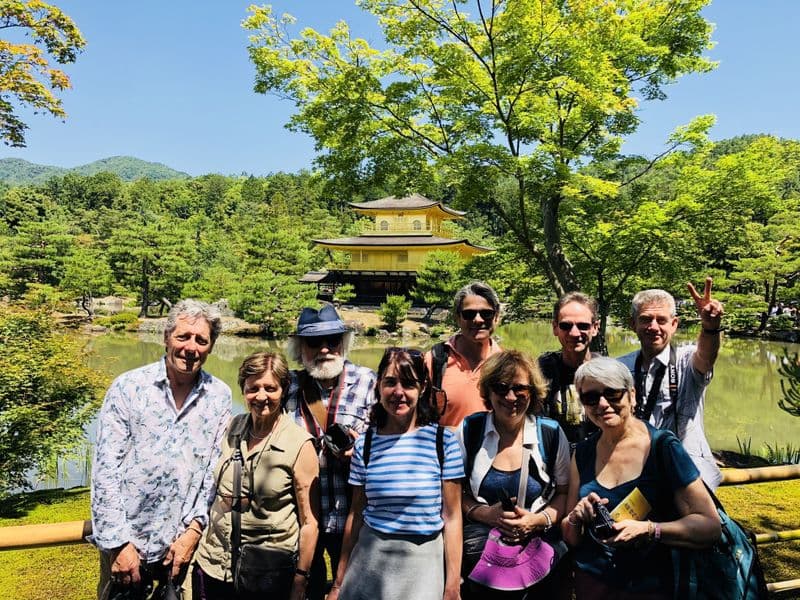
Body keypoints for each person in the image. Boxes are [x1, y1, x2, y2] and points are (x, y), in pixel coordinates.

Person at [91, 299, 232, 599]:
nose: (191, 348)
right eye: (183, 336)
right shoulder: (128, 388)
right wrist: (118, 544)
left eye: (201, 340)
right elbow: (106, 471)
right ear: (166, 337)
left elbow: (212, 472)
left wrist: (193, 532)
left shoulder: (219, 396)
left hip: (180, 547)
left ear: (211, 347)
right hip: (128, 543)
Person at [561, 357, 720, 599]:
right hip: (591, 583)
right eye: (591, 398)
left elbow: (709, 526)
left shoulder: (662, 447)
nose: (603, 404)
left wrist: (649, 529)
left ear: (632, 395)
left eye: (613, 394)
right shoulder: (581, 453)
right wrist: (575, 517)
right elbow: (570, 536)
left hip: (650, 585)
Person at [329, 347, 464, 600]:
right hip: (369, 563)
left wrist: (453, 585)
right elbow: (356, 514)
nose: (399, 392)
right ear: (379, 385)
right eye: (390, 382)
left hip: (423, 564)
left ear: (423, 388)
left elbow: (453, 517)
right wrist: (338, 582)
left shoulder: (443, 442)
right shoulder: (365, 444)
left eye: (409, 383)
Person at [192, 352, 319, 600]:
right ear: (243, 390)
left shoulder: (299, 444)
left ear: (283, 390)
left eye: (270, 388)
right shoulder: (230, 429)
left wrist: (300, 580)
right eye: (253, 388)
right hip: (214, 566)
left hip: (266, 574)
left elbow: (310, 523)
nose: (261, 396)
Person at [459, 350, 570, 599]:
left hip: (537, 557)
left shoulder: (550, 434)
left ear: (532, 391)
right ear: (488, 391)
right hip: (483, 559)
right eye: (501, 388)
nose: (511, 397)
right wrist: (484, 514)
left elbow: (564, 493)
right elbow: (453, 492)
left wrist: (537, 521)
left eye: (520, 388)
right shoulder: (469, 430)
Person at [283, 304, 376, 600]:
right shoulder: (287, 387)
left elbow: (392, 441)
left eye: (332, 340)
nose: (324, 349)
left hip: (352, 513)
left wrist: (361, 449)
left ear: (344, 343)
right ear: (300, 348)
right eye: (314, 342)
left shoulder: (371, 383)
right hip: (301, 516)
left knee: (351, 591)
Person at [617, 278, 724, 489]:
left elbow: (706, 357)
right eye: (646, 319)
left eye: (661, 320)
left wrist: (711, 327)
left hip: (688, 473)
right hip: (636, 469)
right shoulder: (621, 367)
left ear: (674, 324)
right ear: (633, 324)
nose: (653, 327)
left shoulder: (686, 361)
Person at [426, 281, 502, 427]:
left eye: (486, 313)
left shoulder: (506, 364)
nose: (478, 320)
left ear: (496, 316)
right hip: (445, 449)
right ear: (457, 317)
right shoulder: (434, 361)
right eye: (469, 314)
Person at [538, 292, 601, 444]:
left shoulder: (607, 372)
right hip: (554, 458)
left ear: (595, 327)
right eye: (565, 326)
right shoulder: (540, 371)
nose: (574, 333)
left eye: (583, 326)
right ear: (555, 328)